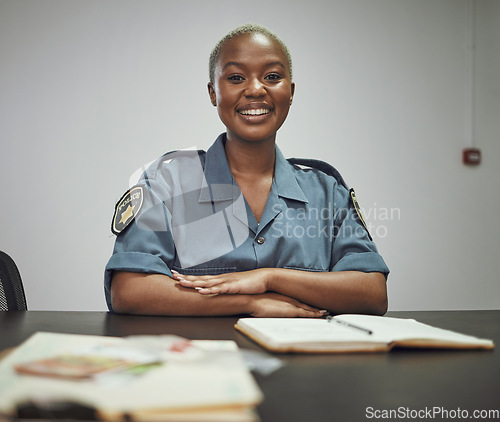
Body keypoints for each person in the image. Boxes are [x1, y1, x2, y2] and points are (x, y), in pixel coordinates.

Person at [104, 23, 389, 317]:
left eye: (272, 77)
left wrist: (269, 278)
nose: (255, 89)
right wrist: (252, 303)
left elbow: (372, 294)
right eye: (236, 77)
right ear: (213, 93)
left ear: (290, 92)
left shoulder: (327, 192)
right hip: (203, 360)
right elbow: (128, 290)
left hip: (302, 360)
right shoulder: (166, 182)